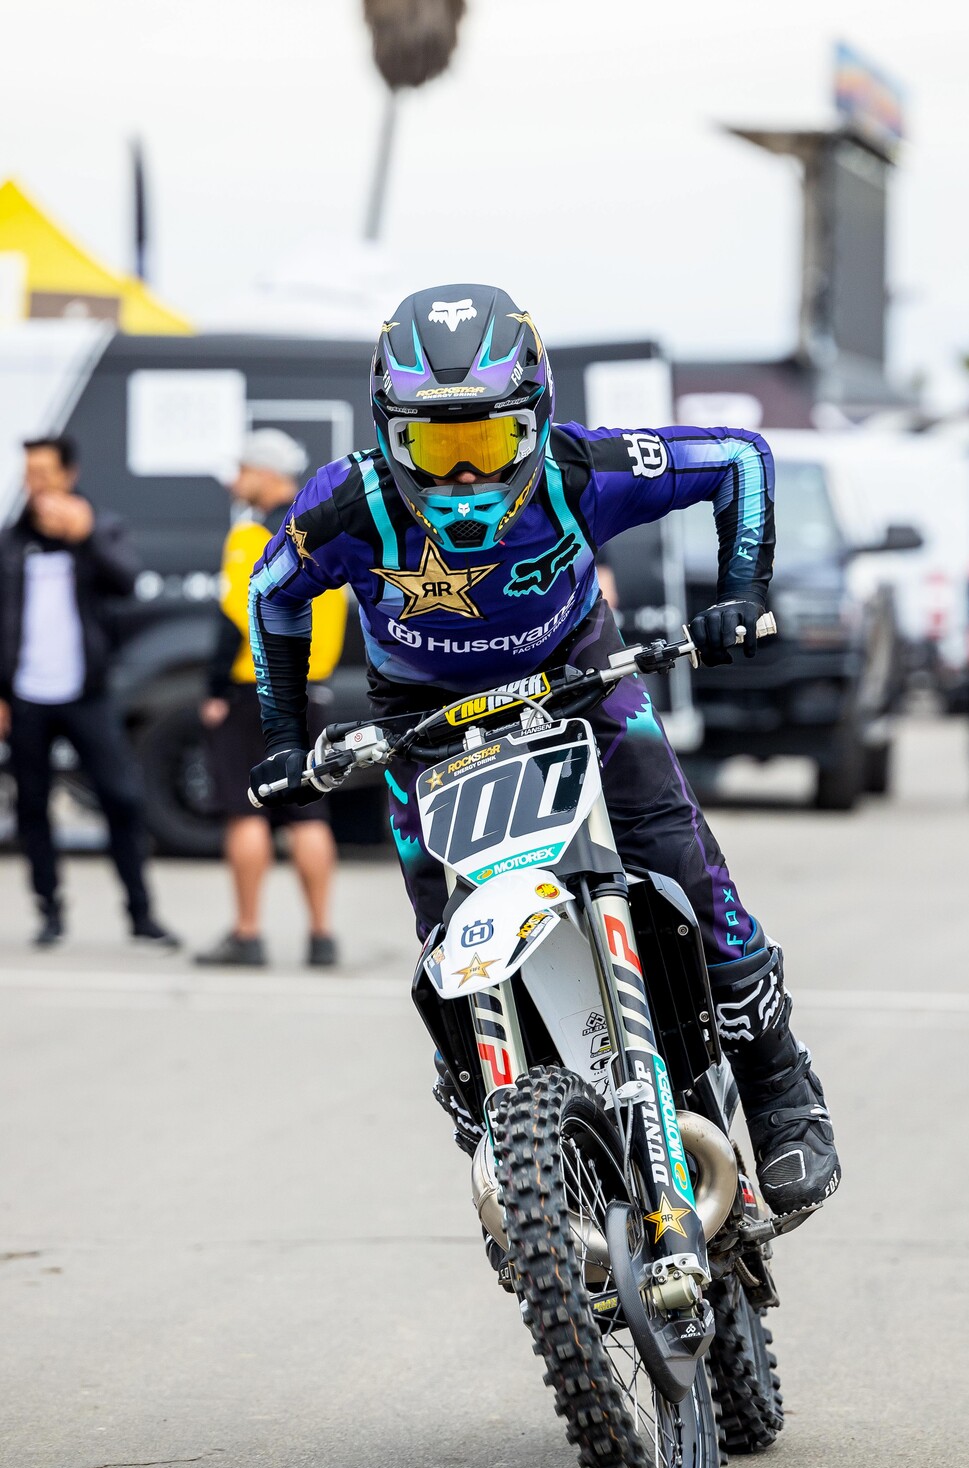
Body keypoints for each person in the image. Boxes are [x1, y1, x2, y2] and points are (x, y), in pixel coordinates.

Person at [246, 284, 840, 1217]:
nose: (462, 475)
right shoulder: (346, 503)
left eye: (488, 443)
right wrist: (284, 737)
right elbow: (272, 592)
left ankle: (779, 1088)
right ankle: (491, 1119)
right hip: (426, 719)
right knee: (443, 933)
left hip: (581, 680)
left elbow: (738, 457)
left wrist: (740, 592)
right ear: (387, 435)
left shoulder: (580, 469)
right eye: (433, 447)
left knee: (681, 861)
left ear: (537, 419)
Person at [0, 436, 178, 948]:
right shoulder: (12, 542)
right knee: (32, 807)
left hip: (86, 694)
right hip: (25, 698)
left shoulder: (101, 528)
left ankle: (141, 914)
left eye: (45, 473)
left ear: (69, 475)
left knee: (122, 798)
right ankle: (49, 912)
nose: (36, 484)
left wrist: (86, 536)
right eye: (29, 473)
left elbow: (127, 582)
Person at [196, 430, 347, 967]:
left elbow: (238, 613)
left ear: (265, 472)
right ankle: (322, 936)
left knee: (246, 812)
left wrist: (215, 688)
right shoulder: (326, 528)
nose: (235, 481)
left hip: (254, 687)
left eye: (242, 470)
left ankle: (248, 934)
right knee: (309, 815)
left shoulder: (251, 534)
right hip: (312, 686)